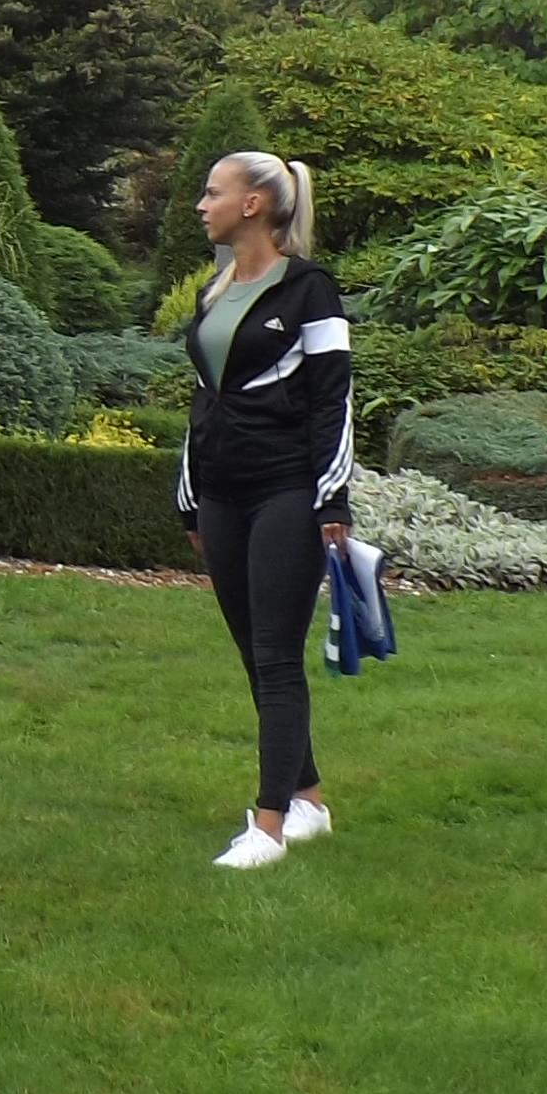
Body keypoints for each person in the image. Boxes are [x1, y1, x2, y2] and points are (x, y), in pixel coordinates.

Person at [176, 152, 357, 871]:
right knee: (255, 653)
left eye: (212, 192)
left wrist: (331, 498)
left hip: (287, 491)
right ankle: (308, 799)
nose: (201, 205)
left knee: (278, 657)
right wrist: (190, 495)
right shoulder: (214, 291)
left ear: (253, 204)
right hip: (221, 493)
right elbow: (202, 400)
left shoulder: (311, 290)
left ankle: (270, 826)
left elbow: (333, 398)